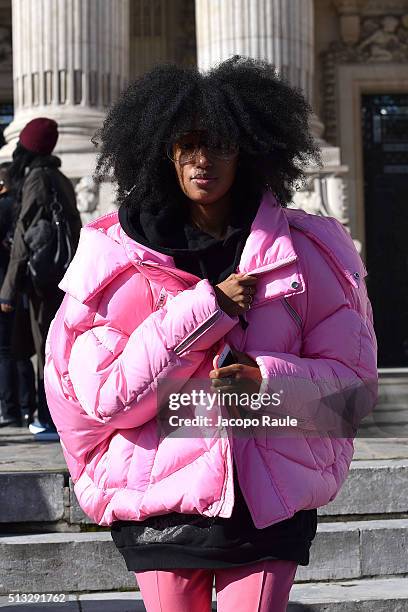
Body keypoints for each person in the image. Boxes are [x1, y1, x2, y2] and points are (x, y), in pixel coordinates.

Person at [44, 57, 378, 611]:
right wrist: (207, 311)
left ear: (247, 149)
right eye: (187, 144)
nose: (203, 160)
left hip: (268, 502)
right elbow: (102, 401)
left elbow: (351, 396)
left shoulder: (309, 253)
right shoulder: (114, 261)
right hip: (161, 499)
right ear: (161, 150)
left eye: (220, 143)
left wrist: (264, 381)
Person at [0, 118, 82, 440]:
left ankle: (48, 418)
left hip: (42, 278)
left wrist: (7, 288)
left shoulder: (35, 179)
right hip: (62, 273)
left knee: (44, 348)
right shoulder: (60, 177)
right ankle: (54, 415)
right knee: (55, 348)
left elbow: (25, 235)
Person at [0, 163, 36, 427]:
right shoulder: (19, 206)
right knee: (21, 350)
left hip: (5, 288)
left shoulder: (4, 206)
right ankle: (27, 408)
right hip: (22, 286)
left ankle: (11, 409)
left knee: (5, 352)